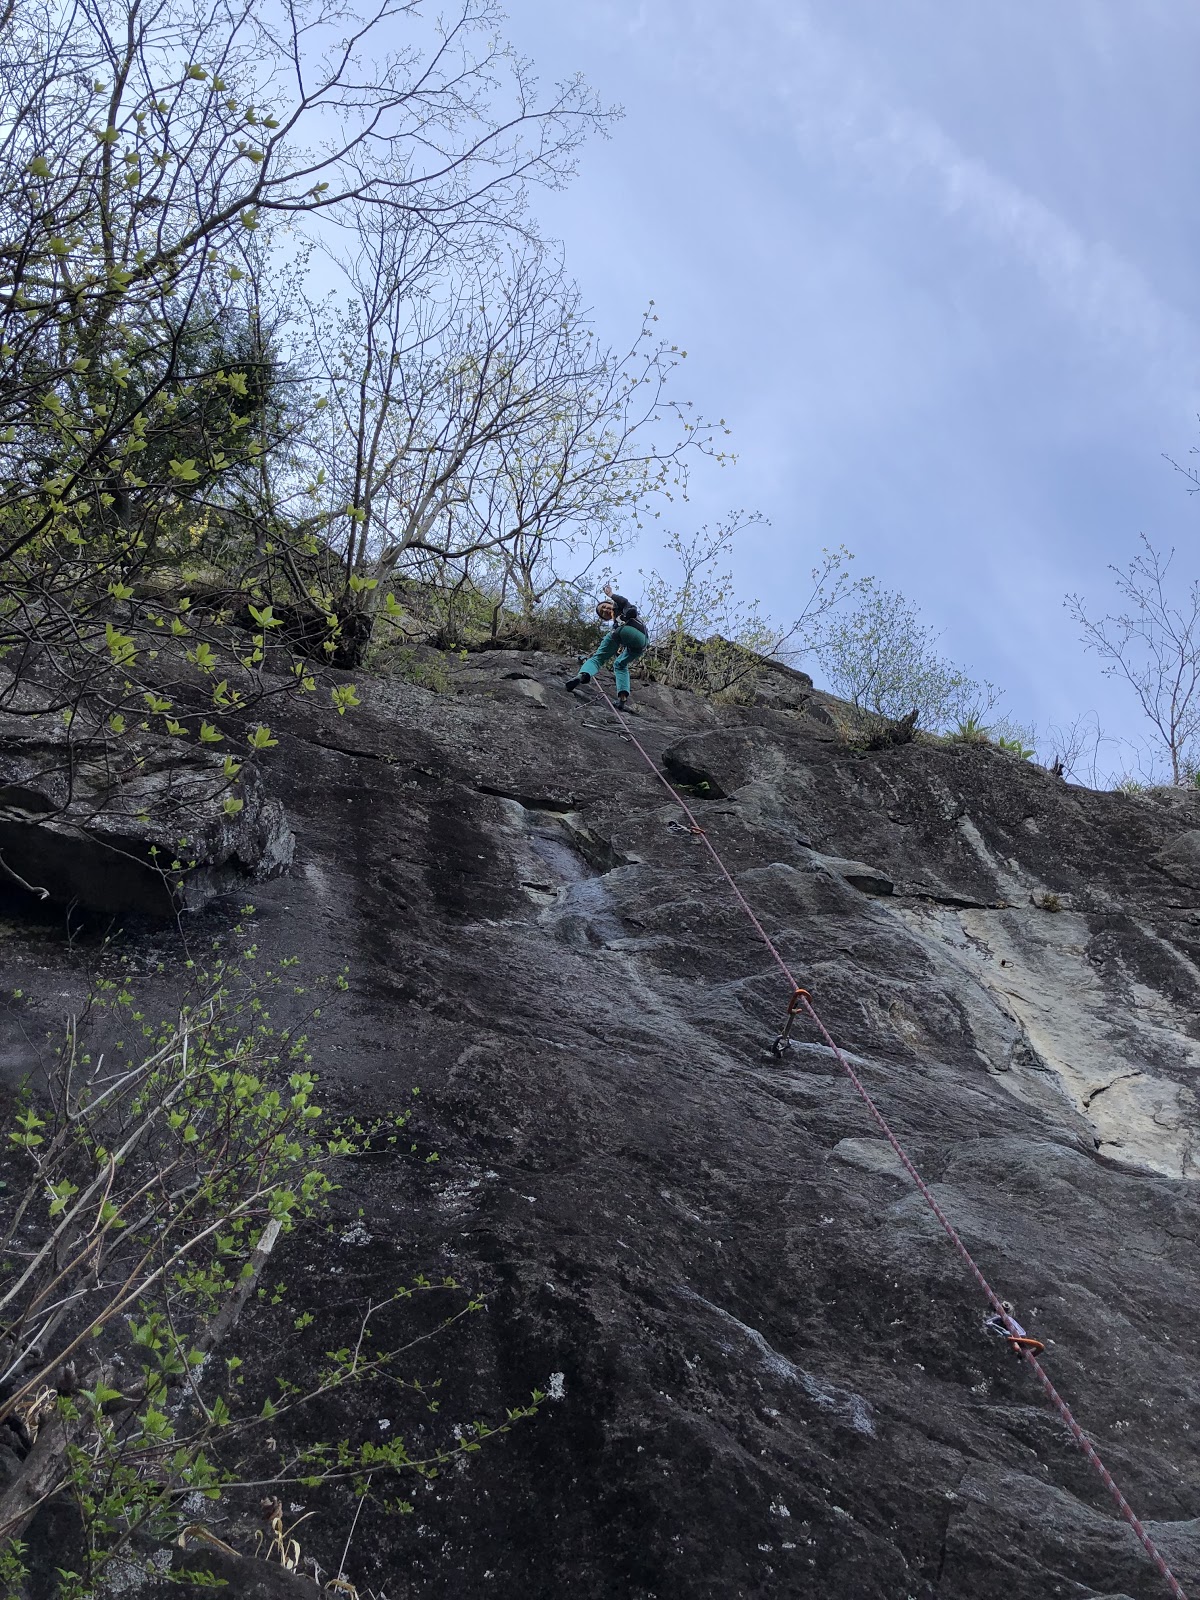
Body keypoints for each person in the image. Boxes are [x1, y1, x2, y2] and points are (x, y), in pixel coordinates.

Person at [564, 584, 649, 712]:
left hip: (626, 630)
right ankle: (622, 698)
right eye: (602, 613)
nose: (604, 611)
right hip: (642, 642)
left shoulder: (619, 607)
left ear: (610, 603)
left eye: (604, 606)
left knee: (598, 659)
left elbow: (626, 603)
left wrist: (611, 595)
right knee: (620, 664)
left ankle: (583, 674)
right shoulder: (616, 621)